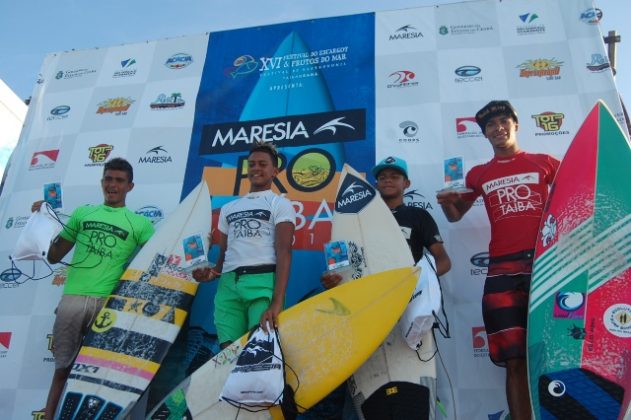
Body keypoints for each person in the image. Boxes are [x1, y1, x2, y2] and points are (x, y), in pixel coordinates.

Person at [436, 100, 560, 420]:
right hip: (501, 271)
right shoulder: (479, 174)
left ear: (515, 125)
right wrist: (449, 202)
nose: (498, 128)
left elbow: (577, 193)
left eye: (504, 121)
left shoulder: (544, 162)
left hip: (545, 266)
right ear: (485, 134)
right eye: (491, 125)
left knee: (558, 355)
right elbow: (455, 215)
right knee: (514, 360)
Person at [312, 156, 451, 420]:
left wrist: (418, 282)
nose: (388, 180)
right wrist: (332, 281)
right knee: (367, 390)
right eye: (383, 177)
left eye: (394, 176)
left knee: (413, 393)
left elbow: (443, 260)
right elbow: (346, 272)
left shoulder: (418, 215)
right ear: (376, 183)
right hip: (366, 312)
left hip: (407, 310)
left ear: (406, 183)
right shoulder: (359, 224)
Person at [31, 157, 154, 419]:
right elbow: (54, 256)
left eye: (119, 181)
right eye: (108, 179)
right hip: (72, 300)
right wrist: (43, 221)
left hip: (108, 304)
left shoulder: (141, 224)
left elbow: (157, 260)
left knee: (107, 372)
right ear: (101, 182)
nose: (113, 185)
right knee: (62, 367)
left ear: (130, 187)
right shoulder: (82, 213)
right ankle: (50, 414)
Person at [193, 142, 296, 349]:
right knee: (227, 352)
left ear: (274, 171)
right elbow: (224, 254)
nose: (256, 168)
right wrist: (210, 274)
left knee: (257, 350)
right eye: (252, 164)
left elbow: (284, 252)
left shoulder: (280, 204)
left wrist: (277, 301)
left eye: (262, 164)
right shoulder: (229, 208)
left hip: (262, 282)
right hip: (228, 285)